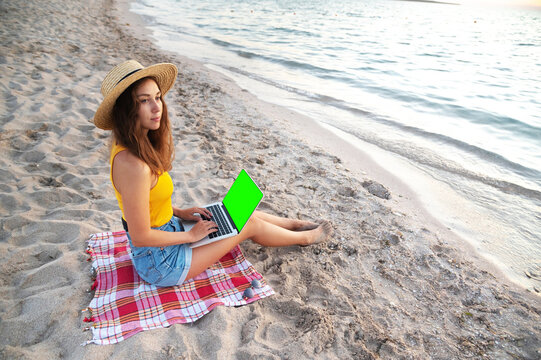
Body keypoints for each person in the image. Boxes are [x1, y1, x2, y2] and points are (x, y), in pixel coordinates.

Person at [93, 60, 333, 287]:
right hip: (161, 264)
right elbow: (141, 236)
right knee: (247, 226)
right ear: (126, 109)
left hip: (168, 232)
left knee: (236, 212)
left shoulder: (136, 144)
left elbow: (144, 201)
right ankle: (306, 238)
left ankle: (294, 224)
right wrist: (190, 236)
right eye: (144, 101)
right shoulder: (132, 165)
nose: (157, 107)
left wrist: (178, 212)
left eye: (158, 97)